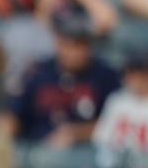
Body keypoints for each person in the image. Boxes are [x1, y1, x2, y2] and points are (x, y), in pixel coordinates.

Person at [11, 11, 119, 147]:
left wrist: (77, 132)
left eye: (80, 44)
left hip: (85, 154)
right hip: (37, 151)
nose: (74, 52)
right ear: (57, 43)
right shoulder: (38, 72)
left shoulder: (104, 74)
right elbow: (15, 114)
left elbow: (115, 122)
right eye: (69, 44)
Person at [91, 50, 148, 160]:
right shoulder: (116, 101)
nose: (139, 79)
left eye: (144, 74)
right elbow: (100, 139)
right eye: (134, 73)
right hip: (114, 166)